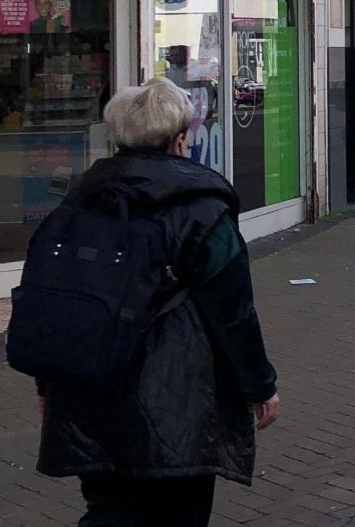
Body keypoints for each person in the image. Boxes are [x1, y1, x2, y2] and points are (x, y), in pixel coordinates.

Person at [26, 77, 278, 525]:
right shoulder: (202, 209)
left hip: (88, 385)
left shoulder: (78, 201)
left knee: (107, 510)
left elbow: (54, 300)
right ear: (181, 141)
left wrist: (48, 384)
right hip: (176, 399)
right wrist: (259, 386)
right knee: (178, 512)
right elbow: (234, 312)